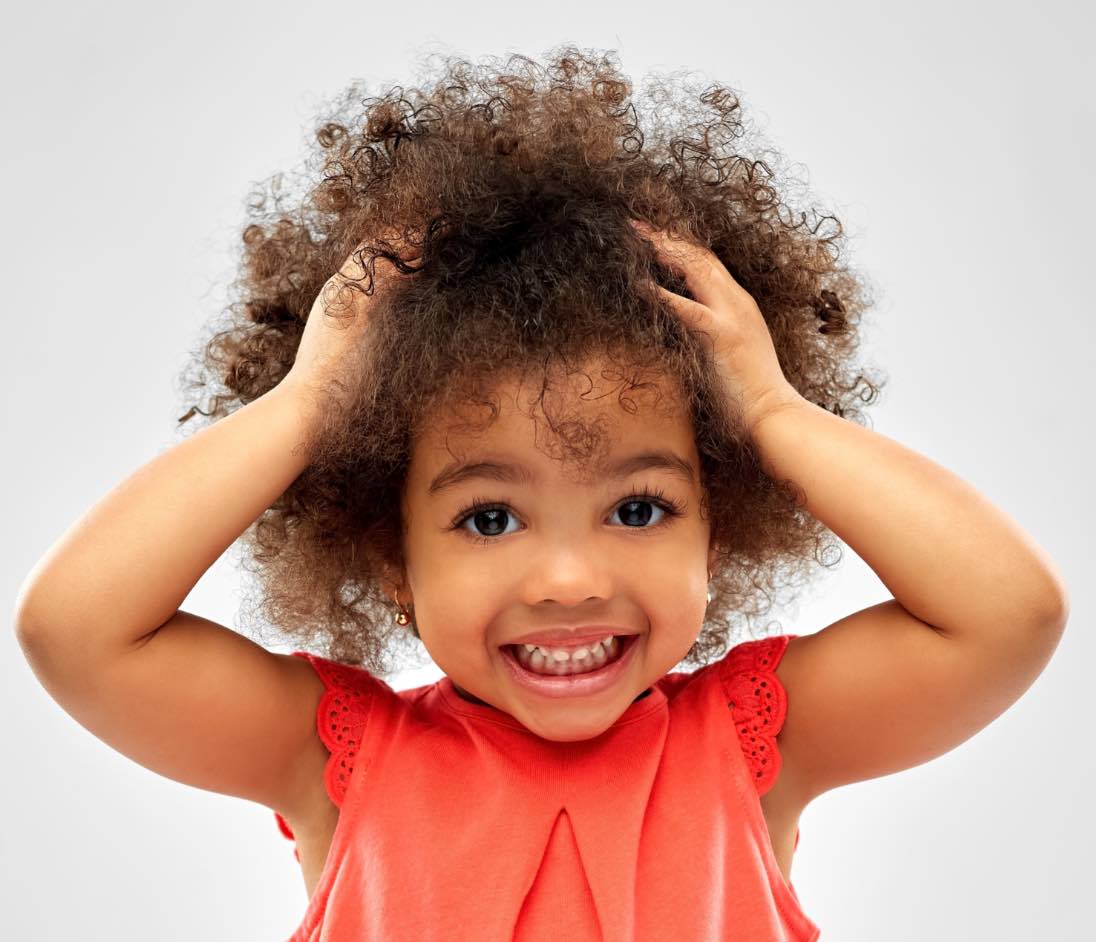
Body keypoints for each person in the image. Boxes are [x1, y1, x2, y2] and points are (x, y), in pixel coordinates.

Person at [13, 47, 1069, 942]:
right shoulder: (336, 758)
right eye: (487, 517)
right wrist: (308, 405)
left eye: (640, 507)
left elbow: (1005, 615)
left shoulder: (751, 746)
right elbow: (77, 631)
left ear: (719, 524)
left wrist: (774, 413)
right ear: (390, 551)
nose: (568, 578)